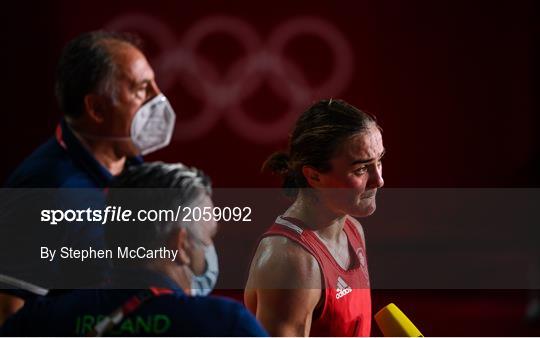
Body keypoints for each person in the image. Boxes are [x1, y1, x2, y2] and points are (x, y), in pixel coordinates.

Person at [0, 31, 217, 323]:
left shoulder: (139, 175)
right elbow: (8, 316)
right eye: (141, 89)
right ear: (97, 108)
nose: (158, 98)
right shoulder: (45, 189)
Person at [0, 162, 268, 336]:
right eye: (209, 237)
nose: (209, 249)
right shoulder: (226, 325)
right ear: (181, 245)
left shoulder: (38, 321)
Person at [245, 99, 385, 336]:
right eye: (361, 169)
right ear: (314, 176)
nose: (378, 180)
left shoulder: (352, 229)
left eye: (379, 161)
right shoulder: (292, 261)